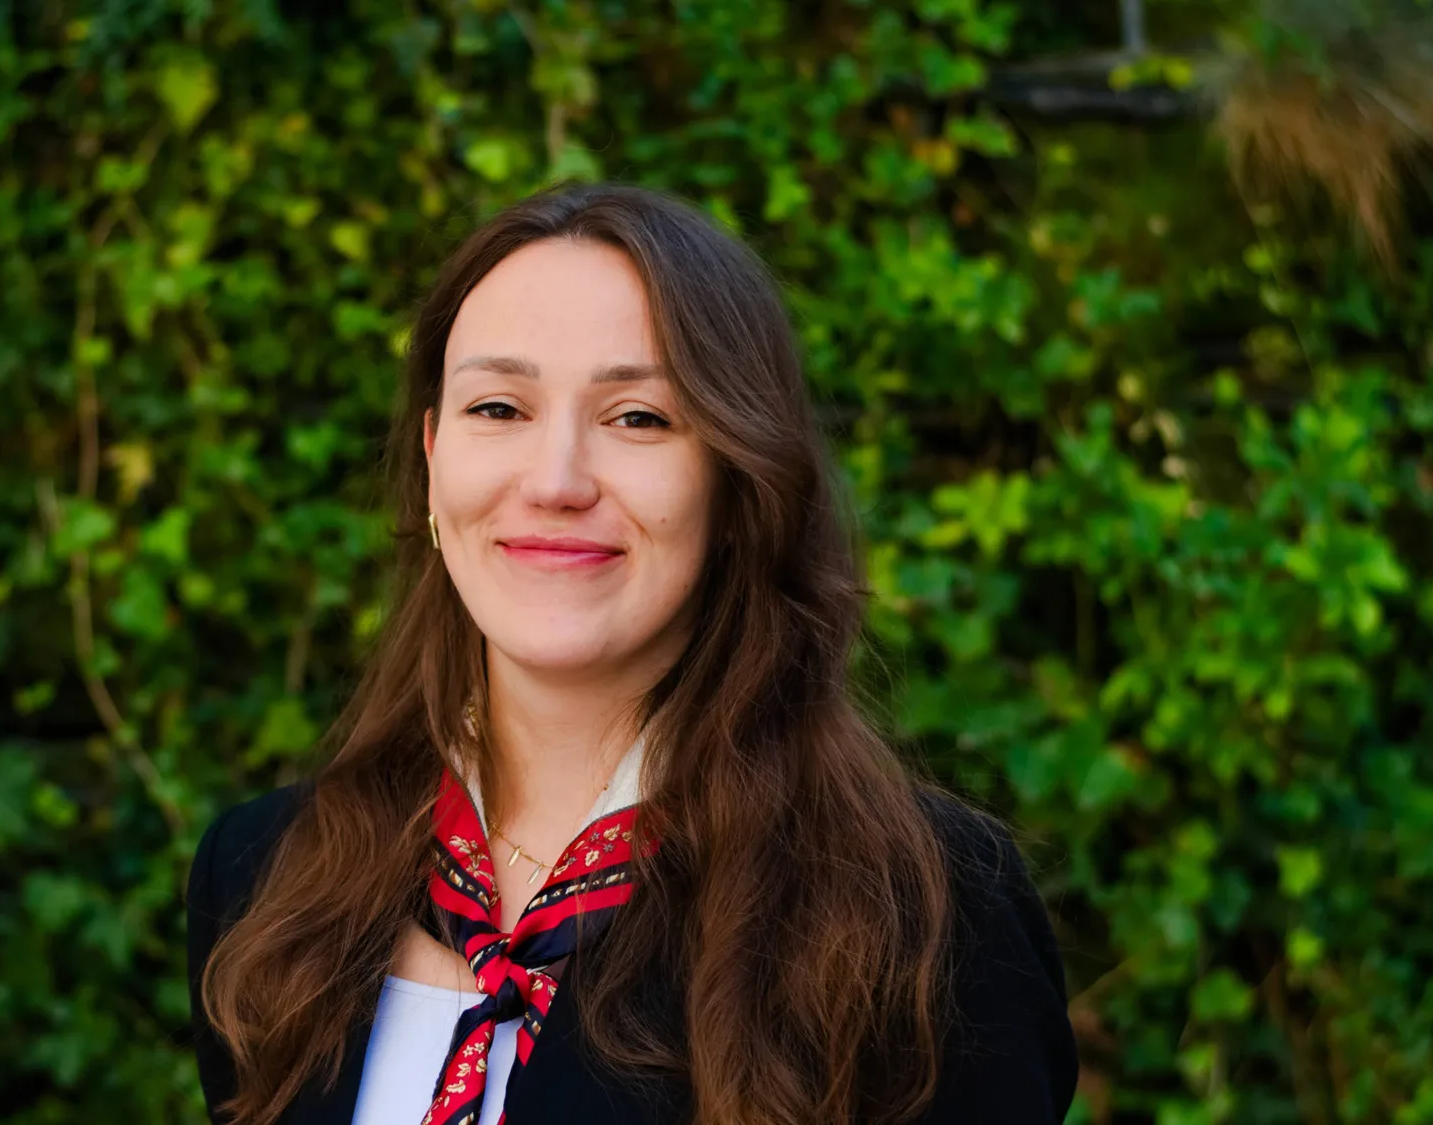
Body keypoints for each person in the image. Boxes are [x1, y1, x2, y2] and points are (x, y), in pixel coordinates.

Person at [186, 182, 1077, 1125]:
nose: (557, 479)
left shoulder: (918, 913)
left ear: (737, 481)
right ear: (433, 455)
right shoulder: (267, 882)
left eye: (638, 418)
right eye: (499, 407)